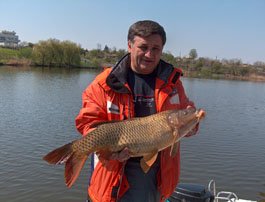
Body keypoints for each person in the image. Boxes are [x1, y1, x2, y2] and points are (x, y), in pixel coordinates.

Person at [75, 20, 199, 202]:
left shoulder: (172, 84)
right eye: (143, 47)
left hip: (156, 181)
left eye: (156, 48)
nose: (150, 54)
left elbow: (185, 120)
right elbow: (88, 123)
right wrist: (105, 147)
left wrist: (192, 124)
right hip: (111, 179)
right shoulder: (105, 84)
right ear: (129, 46)